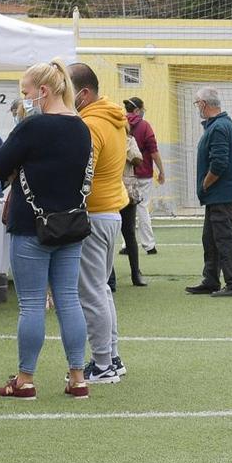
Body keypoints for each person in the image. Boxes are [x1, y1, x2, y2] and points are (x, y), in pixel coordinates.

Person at [0, 61, 93, 399]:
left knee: (31, 304)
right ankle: (78, 376)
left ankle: (25, 379)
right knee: (68, 300)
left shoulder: (32, 127)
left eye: (26, 92)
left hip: (30, 224)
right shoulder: (81, 127)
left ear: (43, 91)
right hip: (70, 224)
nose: (25, 98)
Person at [70, 63, 130, 383]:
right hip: (110, 211)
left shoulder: (90, 124)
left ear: (84, 93)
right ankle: (112, 356)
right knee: (102, 289)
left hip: (93, 213)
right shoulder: (112, 117)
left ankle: (104, 364)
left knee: (92, 292)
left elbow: (84, 170)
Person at [189, 87, 232, 297]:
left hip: (220, 194)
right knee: (210, 238)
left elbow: (219, 163)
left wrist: (205, 184)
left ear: (204, 104)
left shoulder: (219, 127)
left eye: (197, 104)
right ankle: (211, 279)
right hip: (218, 195)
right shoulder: (220, 125)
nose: (197, 108)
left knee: (224, 238)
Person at [124, 95, 162, 256]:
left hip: (125, 175)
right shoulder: (145, 126)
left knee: (125, 209)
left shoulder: (120, 124)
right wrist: (162, 170)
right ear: (138, 110)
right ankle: (149, 245)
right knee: (142, 207)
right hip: (144, 173)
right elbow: (153, 151)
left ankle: (127, 243)